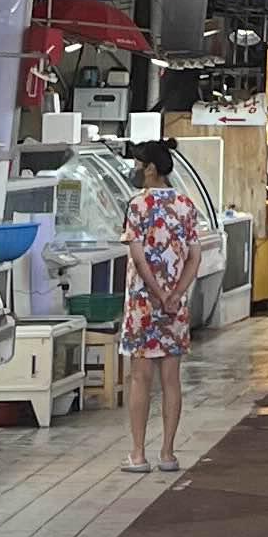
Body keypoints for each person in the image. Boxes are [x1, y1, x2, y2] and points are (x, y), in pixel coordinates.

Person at [118, 137, 214, 472]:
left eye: (138, 164)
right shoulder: (186, 205)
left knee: (140, 378)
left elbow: (138, 257)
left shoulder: (137, 205)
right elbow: (195, 257)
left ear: (150, 169)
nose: (135, 169)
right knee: (171, 379)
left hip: (142, 303)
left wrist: (157, 294)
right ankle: (168, 454)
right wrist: (174, 295)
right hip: (176, 305)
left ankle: (137, 454)